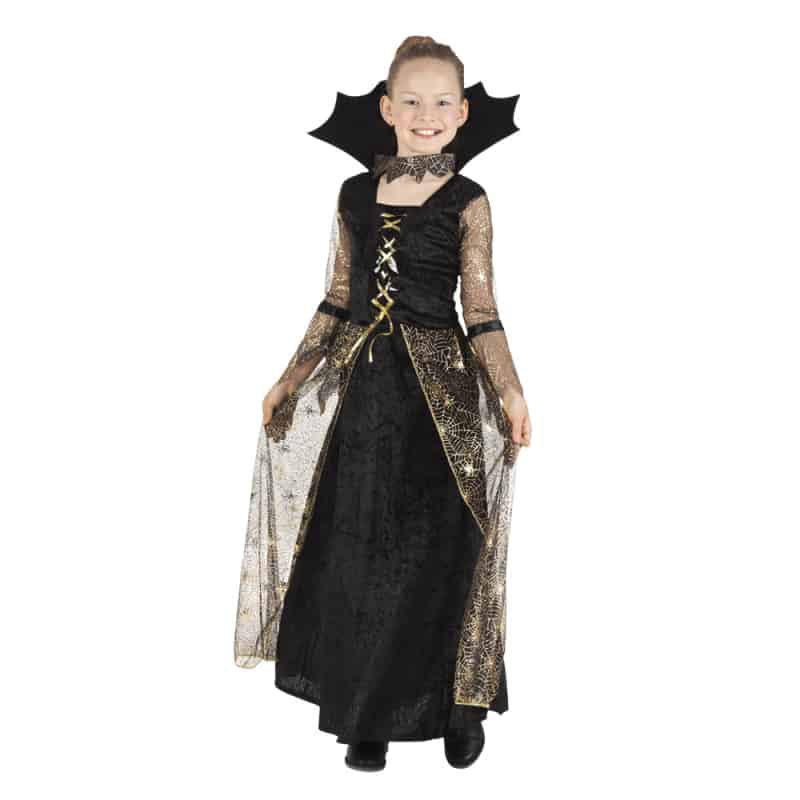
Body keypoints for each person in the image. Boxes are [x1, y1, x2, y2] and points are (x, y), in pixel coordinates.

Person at [234, 35, 532, 771]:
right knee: (362, 549)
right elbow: (338, 300)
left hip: (443, 398)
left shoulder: (468, 201)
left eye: (442, 102)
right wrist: (289, 377)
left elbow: (481, 310)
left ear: (461, 114)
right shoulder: (352, 196)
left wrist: (511, 389)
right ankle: (364, 713)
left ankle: (460, 706)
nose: (427, 114)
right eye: (412, 100)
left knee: (444, 548)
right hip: (366, 398)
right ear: (387, 108)